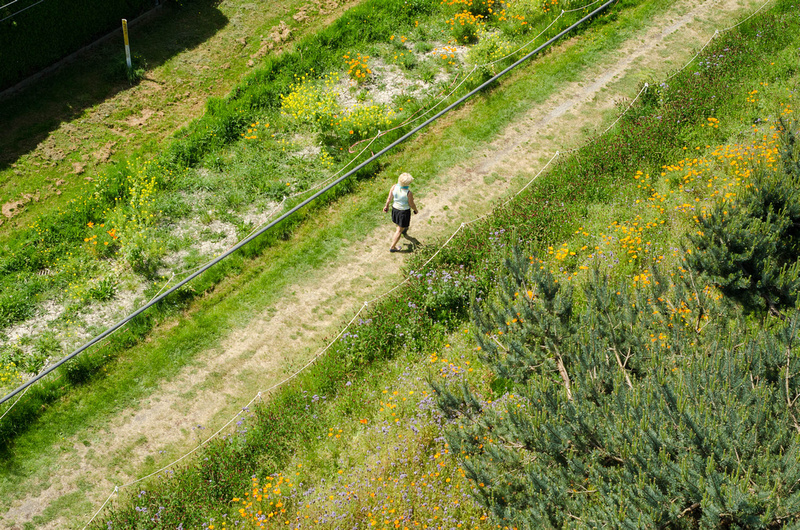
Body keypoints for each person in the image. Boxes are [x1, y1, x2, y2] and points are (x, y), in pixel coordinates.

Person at [383, 172, 418, 252]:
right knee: (398, 230)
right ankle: (393, 247)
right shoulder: (408, 193)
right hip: (403, 212)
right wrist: (415, 210)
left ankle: (402, 229)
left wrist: (386, 206)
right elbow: (411, 204)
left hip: (395, 210)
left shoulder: (394, 187)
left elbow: (389, 198)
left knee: (399, 225)